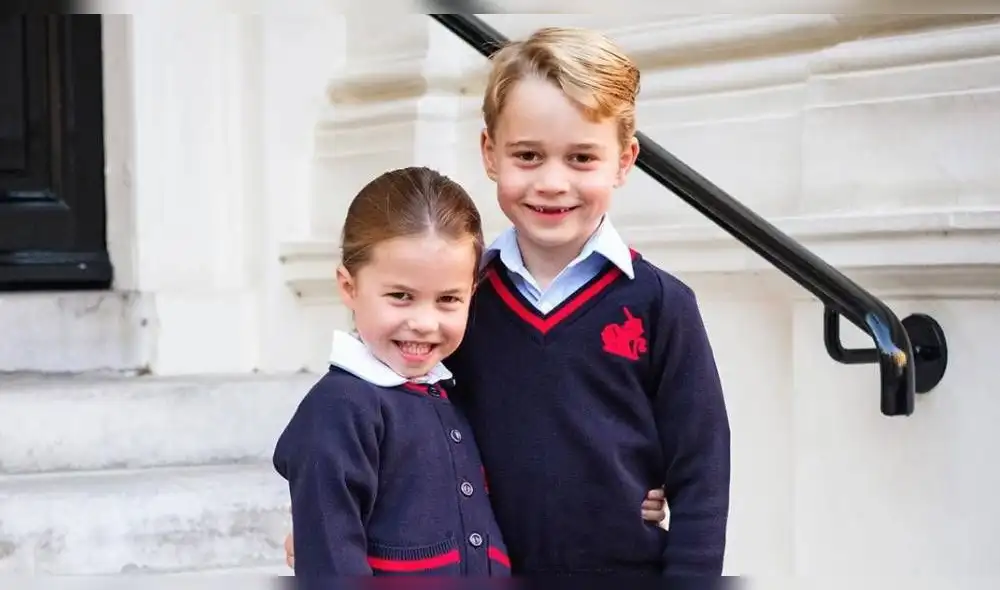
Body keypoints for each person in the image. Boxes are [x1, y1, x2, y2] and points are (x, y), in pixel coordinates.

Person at [289, 24, 730, 576]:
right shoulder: (459, 300)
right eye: (527, 155)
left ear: (624, 160)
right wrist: (327, 519)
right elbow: (399, 425)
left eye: (581, 159)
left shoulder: (662, 303)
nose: (551, 182)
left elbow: (702, 466)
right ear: (490, 153)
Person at [273, 166, 512, 577]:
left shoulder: (453, 392)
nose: (424, 321)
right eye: (401, 296)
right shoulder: (341, 409)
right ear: (349, 287)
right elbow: (332, 564)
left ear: (472, 293)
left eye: (448, 299)